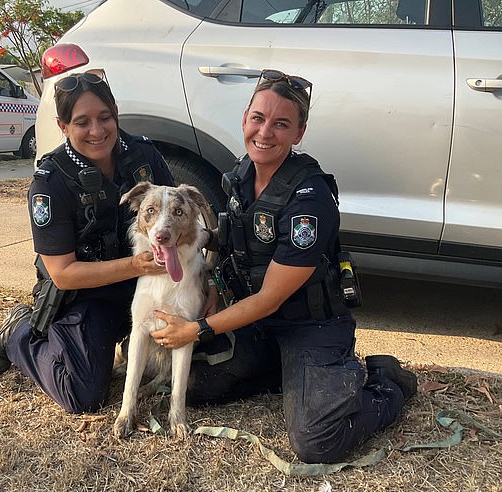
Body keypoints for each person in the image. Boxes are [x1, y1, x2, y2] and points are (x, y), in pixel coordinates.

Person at [151, 69, 417, 464]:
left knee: (317, 441)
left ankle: (387, 384)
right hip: (255, 324)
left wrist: (197, 329)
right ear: (244, 119)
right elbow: (225, 245)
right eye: (258, 119)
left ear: (299, 132)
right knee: (192, 385)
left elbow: (273, 296)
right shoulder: (241, 175)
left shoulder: (309, 199)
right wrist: (210, 291)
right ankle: (286, 374)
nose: (265, 132)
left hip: (309, 325)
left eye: (281, 124)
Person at [0, 69, 174, 413]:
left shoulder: (143, 155)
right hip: (88, 294)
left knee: (204, 356)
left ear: (116, 112)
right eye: (82, 122)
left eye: (105, 117)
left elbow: (178, 217)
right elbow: (63, 273)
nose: (97, 131)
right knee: (83, 394)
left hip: (146, 283)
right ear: (63, 126)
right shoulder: (51, 181)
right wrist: (134, 265)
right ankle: (18, 333)